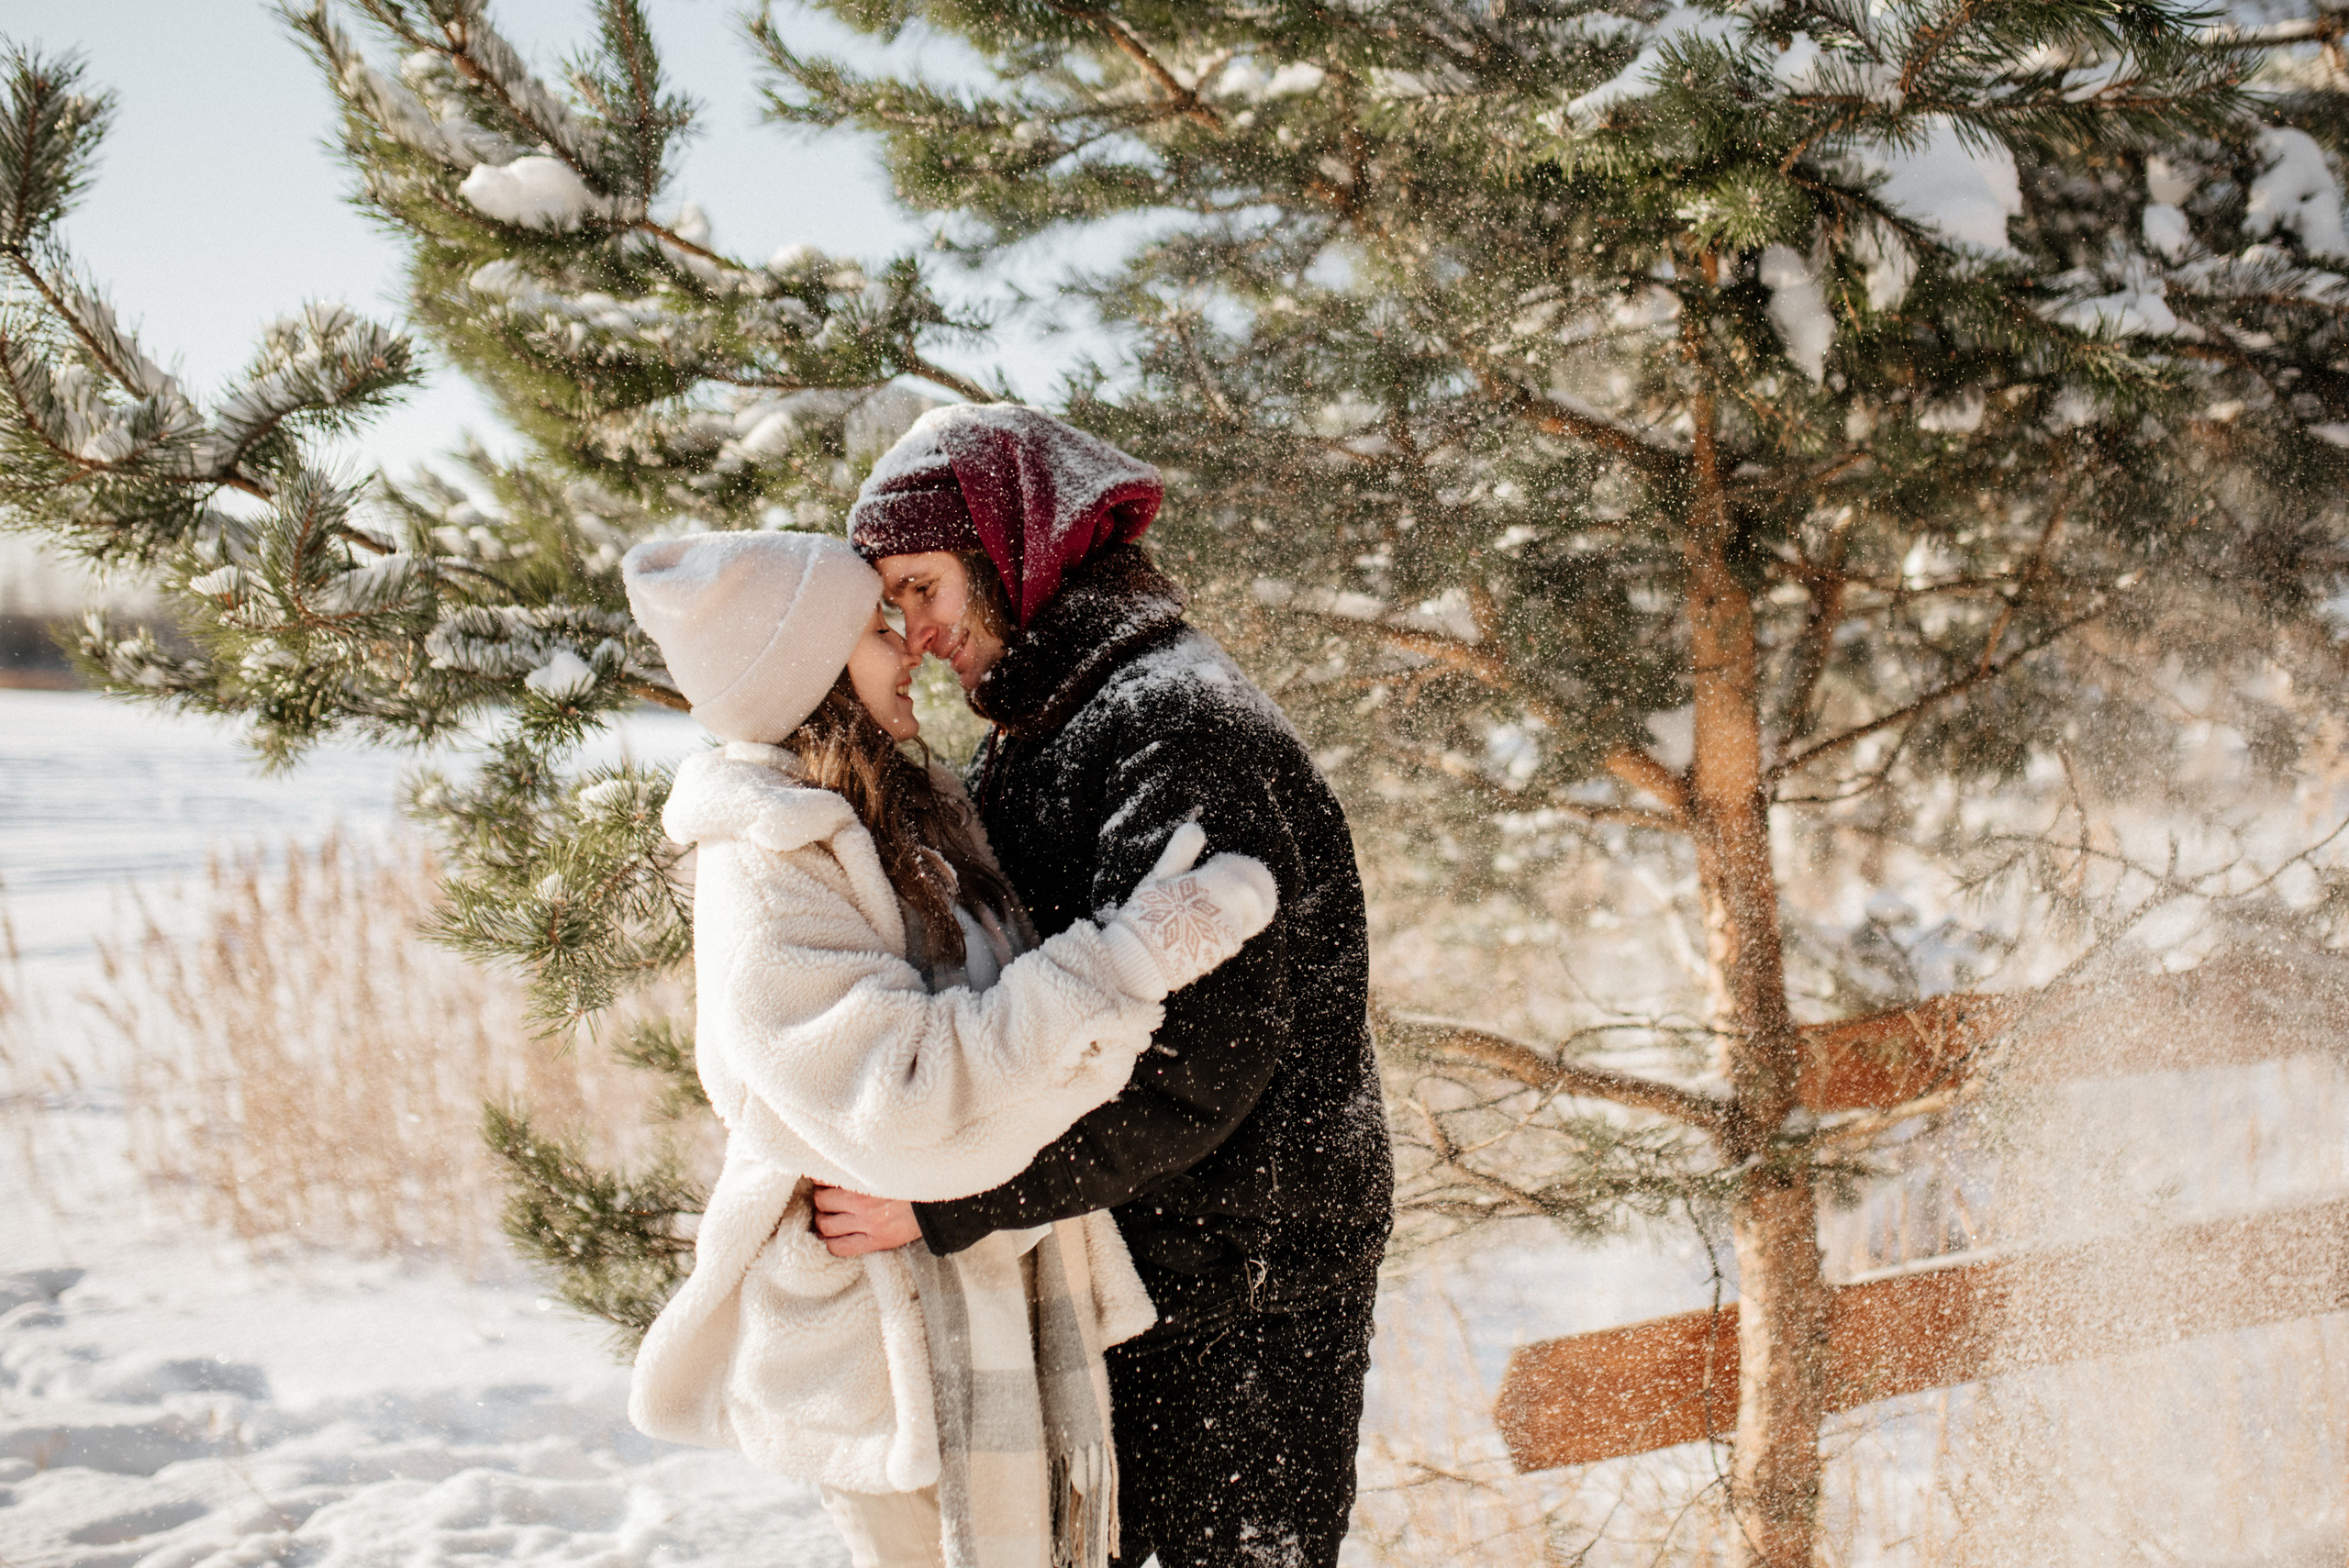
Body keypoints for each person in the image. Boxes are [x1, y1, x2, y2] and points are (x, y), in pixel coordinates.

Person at [618, 528, 1280, 1568]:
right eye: (876, 628)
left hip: (991, 1317)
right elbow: (910, 1099)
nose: (909, 645)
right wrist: (1127, 961)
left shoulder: (917, 819)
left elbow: (1032, 1074)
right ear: (810, 673)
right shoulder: (764, 867)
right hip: (890, 1358)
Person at [832, 405, 1395, 1568]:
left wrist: (950, 1201)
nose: (917, 631)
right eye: (894, 605)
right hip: (1139, 1268)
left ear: (1011, 550)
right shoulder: (1047, 723)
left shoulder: (1177, 728)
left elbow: (1192, 1073)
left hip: (1245, 1293)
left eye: (924, 587)